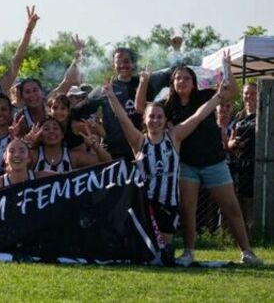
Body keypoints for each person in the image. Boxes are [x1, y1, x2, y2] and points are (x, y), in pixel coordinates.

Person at [105, 75, 236, 261]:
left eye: (160, 117)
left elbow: (198, 116)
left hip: (167, 205)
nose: (156, 121)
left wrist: (217, 98)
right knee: (143, 254)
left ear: (165, 119)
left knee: (164, 256)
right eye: (151, 117)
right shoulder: (138, 141)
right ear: (144, 119)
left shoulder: (174, 137)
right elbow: (123, 118)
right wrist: (111, 95)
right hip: (144, 205)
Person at [158, 57, 262, 266]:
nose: (181, 81)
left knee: (231, 208)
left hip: (214, 162)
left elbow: (231, 92)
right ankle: (188, 252)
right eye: (177, 78)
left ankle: (247, 251)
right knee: (188, 209)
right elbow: (145, 108)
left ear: (194, 82)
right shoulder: (168, 106)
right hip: (187, 164)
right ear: (172, 82)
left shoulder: (205, 95)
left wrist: (228, 69)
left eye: (186, 78)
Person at [73, 48, 171, 161]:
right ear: (113, 66)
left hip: (142, 149)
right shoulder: (105, 88)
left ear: (133, 64)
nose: (123, 65)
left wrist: (175, 50)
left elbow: (171, 75)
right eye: (118, 62)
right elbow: (78, 111)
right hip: (114, 152)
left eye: (126, 61)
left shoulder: (144, 82)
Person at [25, 117, 111, 173]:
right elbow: (14, 165)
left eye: (55, 128)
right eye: (46, 129)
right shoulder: (33, 155)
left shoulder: (73, 156)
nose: (51, 131)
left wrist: (97, 147)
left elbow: (108, 163)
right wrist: (26, 143)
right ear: (39, 136)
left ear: (62, 135)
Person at [227, 83, 258, 232]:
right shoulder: (238, 117)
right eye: (246, 93)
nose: (249, 96)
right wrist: (234, 143)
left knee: (251, 201)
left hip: (258, 164)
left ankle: (254, 234)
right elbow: (229, 142)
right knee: (238, 201)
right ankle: (240, 233)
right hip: (239, 164)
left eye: (253, 93)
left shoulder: (264, 115)